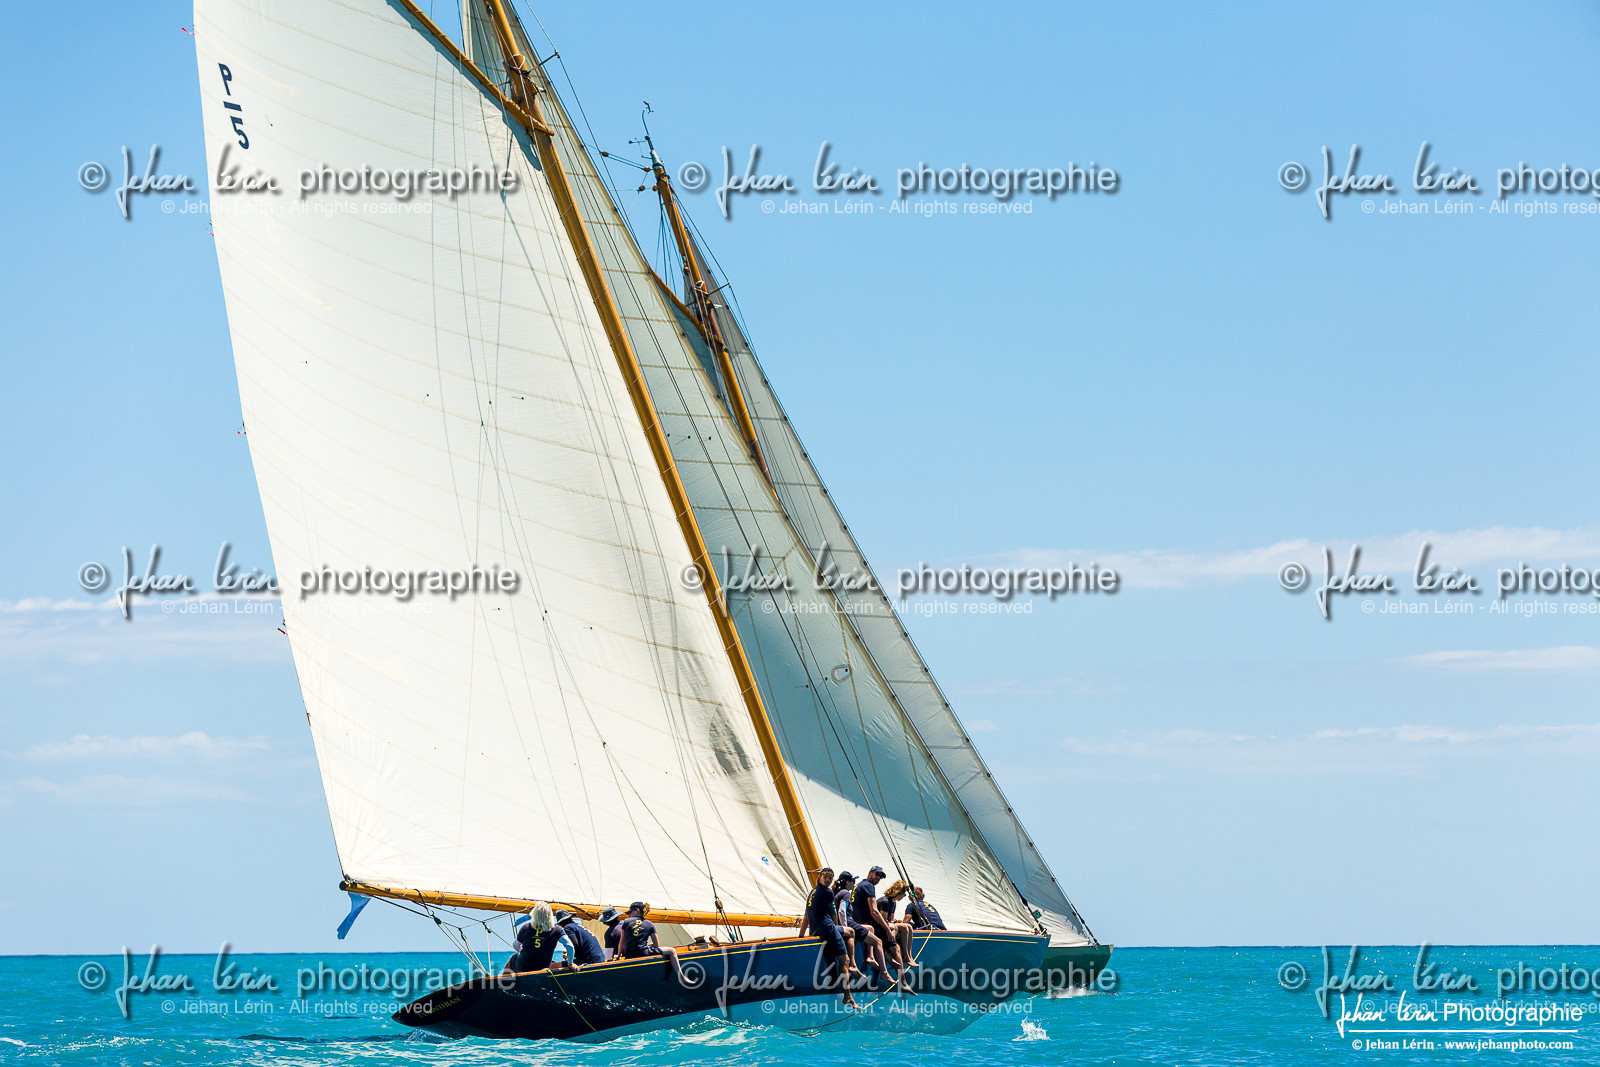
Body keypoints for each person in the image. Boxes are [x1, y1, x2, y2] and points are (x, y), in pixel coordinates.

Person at [797, 866, 859, 1008]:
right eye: (826, 876)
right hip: (827, 929)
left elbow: (806, 916)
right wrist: (836, 931)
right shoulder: (828, 892)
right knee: (845, 960)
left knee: (849, 931)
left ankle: (852, 966)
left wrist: (801, 935)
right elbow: (833, 914)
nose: (828, 880)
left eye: (831, 878)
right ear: (819, 876)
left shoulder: (812, 892)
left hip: (816, 930)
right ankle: (847, 996)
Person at [832, 872, 886, 986]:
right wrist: (845, 929)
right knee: (878, 942)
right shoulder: (846, 893)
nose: (854, 884)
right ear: (847, 882)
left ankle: (870, 957)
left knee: (870, 928)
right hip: (849, 924)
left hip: (847, 923)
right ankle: (884, 972)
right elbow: (841, 911)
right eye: (853, 881)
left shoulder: (837, 893)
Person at [618, 902, 687, 983]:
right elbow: (656, 944)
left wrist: (618, 956)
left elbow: (622, 941)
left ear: (637, 911)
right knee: (672, 950)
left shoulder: (626, 921)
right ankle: (681, 976)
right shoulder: (650, 924)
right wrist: (650, 947)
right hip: (643, 953)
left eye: (630, 912)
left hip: (629, 954)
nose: (629, 915)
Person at [501, 902, 574, 974]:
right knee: (551, 962)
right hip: (543, 968)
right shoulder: (557, 929)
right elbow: (570, 946)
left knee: (513, 958)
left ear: (534, 914)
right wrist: (570, 963)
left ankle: (504, 983)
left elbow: (515, 945)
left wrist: (522, 952)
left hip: (523, 967)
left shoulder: (526, 927)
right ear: (550, 915)